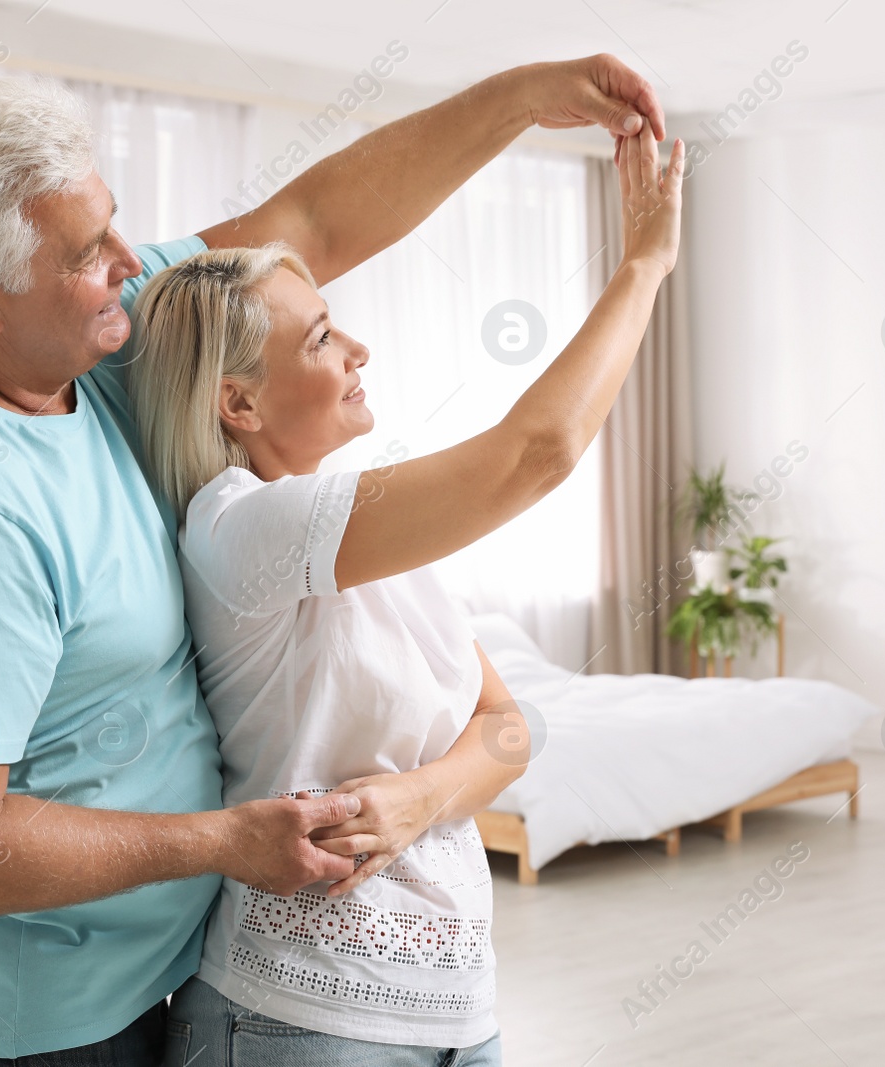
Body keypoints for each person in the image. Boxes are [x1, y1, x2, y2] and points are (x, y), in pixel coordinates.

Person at [0, 59, 665, 1065]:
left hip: (165, 975)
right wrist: (219, 840)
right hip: (26, 1025)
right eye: (90, 252)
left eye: (113, 221)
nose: (130, 260)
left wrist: (524, 99)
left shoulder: (90, 338)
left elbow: (306, 222)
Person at [126, 125, 683, 1066]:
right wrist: (645, 265)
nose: (359, 348)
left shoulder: (376, 541)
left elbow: (510, 726)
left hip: (461, 1011)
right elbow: (535, 454)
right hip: (295, 1017)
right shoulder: (236, 526)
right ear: (238, 405)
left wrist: (422, 797)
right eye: (321, 337)